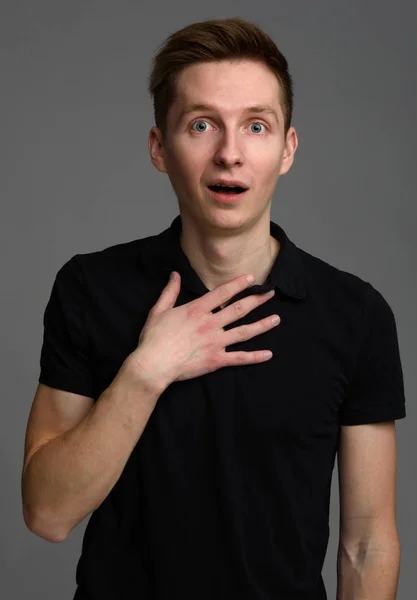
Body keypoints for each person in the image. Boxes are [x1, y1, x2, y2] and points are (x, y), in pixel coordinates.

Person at [21, 17, 406, 600]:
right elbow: (47, 514)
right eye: (201, 125)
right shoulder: (90, 288)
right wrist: (146, 371)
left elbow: (368, 542)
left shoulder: (356, 315)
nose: (229, 153)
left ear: (287, 149)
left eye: (256, 126)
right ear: (159, 147)